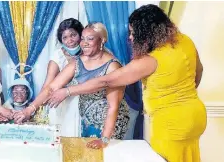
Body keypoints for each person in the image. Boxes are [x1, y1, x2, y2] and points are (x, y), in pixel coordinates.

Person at [44, 5, 206, 162]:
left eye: (134, 32)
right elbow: (198, 71)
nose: (130, 37)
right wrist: (183, 97)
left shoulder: (150, 60)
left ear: (147, 33)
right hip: (196, 114)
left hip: (172, 122)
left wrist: (67, 91)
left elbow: (107, 80)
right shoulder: (185, 41)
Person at [14, 22, 130, 147]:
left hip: (110, 125)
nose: (84, 43)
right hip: (86, 122)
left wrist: (105, 140)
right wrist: (29, 110)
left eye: (90, 39)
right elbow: (51, 87)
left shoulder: (113, 66)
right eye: (83, 39)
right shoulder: (78, 61)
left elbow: (113, 107)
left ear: (102, 40)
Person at [42, 18, 84, 136]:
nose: (69, 40)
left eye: (73, 35)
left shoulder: (89, 52)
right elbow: (48, 85)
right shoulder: (57, 56)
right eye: (65, 37)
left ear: (81, 34)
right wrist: (35, 107)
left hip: (86, 104)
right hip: (63, 105)